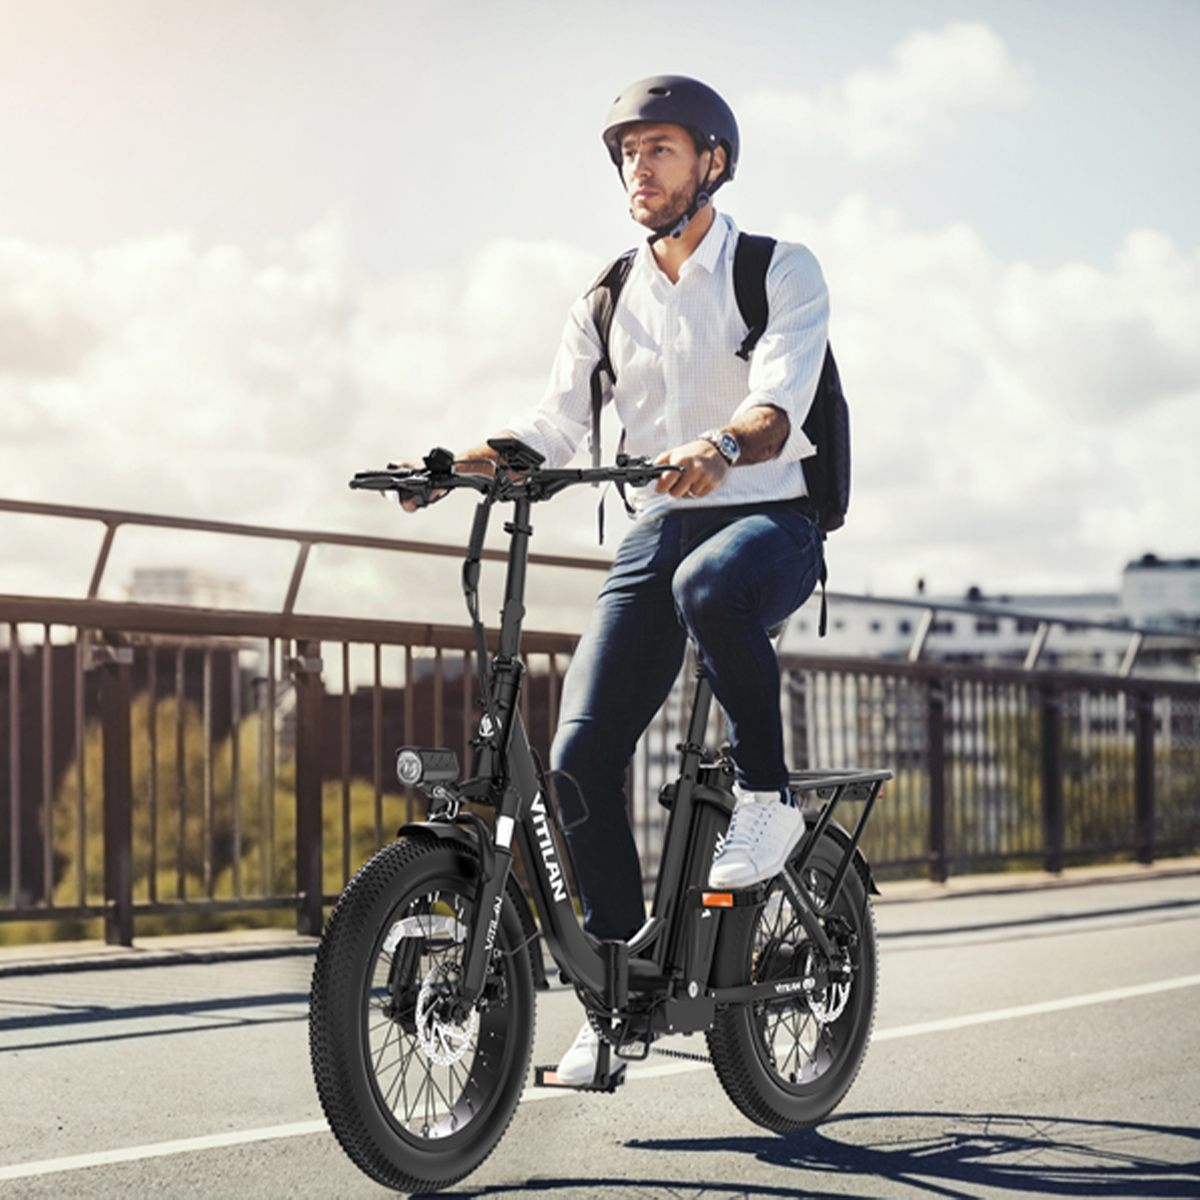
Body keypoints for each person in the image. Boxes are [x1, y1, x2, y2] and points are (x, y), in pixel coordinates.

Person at [406, 75, 830, 1085]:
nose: (640, 167)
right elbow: (555, 426)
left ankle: (767, 797)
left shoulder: (776, 269)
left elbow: (779, 402)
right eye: (629, 153)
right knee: (577, 763)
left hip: (770, 520)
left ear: (712, 163)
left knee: (710, 587)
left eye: (661, 149)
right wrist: (456, 464)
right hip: (659, 526)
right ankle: (613, 993)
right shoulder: (607, 297)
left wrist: (722, 447)